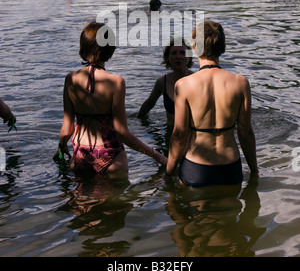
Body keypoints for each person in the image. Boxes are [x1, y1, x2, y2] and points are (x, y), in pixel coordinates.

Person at [53, 21, 167, 175]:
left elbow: (66, 130)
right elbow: (122, 132)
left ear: (83, 46)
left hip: (81, 155)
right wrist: (157, 155)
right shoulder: (115, 82)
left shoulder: (70, 79)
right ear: (109, 48)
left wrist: (61, 147)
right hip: (111, 156)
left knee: (81, 198)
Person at [166, 20, 258, 187]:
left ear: (194, 47)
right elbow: (246, 134)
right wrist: (254, 171)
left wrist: (169, 171)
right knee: (231, 212)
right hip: (230, 166)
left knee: (186, 209)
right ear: (222, 46)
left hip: (196, 166)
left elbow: (179, 135)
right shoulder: (241, 83)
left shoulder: (184, 85)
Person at [137, 38, 193, 127]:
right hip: (170, 135)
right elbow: (149, 104)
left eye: (183, 53)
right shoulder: (162, 82)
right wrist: (136, 124)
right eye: (174, 53)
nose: (178, 56)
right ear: (167, 57)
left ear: (189, 56)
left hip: (195, 135)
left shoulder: (199, 80)